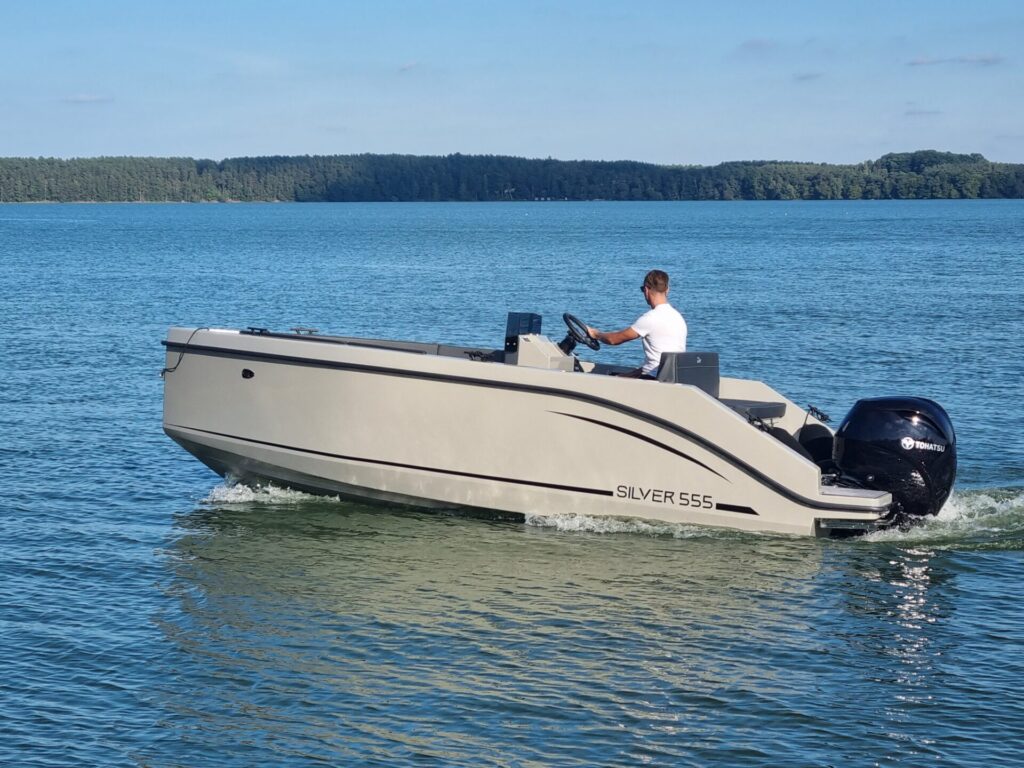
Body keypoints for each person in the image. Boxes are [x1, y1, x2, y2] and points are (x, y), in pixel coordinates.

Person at [587, 269, 687, 378]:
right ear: (667, 290)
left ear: (646, 290)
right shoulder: (678, 318)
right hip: (673, 377)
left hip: (653, 380)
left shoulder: (651, 318)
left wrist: (596, 334)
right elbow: (654, 363)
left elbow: (614, 340)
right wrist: (628, 375)